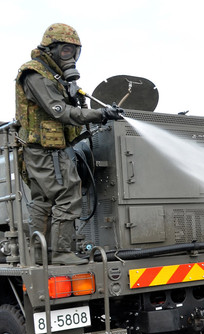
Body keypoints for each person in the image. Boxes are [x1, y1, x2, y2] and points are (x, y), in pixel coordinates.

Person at [15, 23, 124, 265]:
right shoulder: (35, 74)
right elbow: (59, 112)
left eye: (74, 52)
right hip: (46, 150)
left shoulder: (52, 76)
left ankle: (40, 255)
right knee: (68, 194)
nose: (71, 57)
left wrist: (76, 97)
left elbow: (67, 109)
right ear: (50, 49)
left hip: (47, 149)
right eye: (66, 51)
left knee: (43, 200)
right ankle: (62, 253)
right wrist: (99, 114)